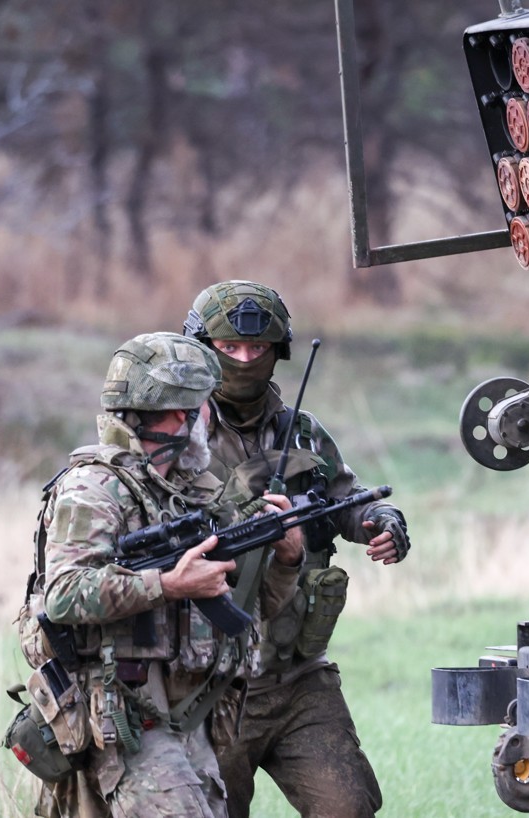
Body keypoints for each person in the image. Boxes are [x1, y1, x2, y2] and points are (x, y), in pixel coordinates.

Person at [24, 331, 305, 818]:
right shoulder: (94, 488)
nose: (207, 421)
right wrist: (169, 585)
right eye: (201, 408)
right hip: (124, 715)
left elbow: (250, 610)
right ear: (180, 416)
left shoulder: (190, 491)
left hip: (190, 715)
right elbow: (64, 595)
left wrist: (286, 559)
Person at [183, 280, 410, 818]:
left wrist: (381, 521)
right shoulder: (179, 439)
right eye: (229, 349)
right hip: (213, 683)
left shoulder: (301, 433)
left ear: (278, 351)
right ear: (203, 350)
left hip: (298, 674)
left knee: (348, 806)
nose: (244, 360)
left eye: (257, 348)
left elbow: (345, 499)